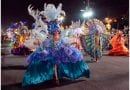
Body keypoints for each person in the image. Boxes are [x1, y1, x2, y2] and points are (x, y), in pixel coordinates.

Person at [22, 21, 90, 86]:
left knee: (61, 64)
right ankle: (56, 78)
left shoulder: (61, 39)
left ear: (59, 33)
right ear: (52, 34)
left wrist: (73, 43)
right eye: (55, 33)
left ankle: (58, 76)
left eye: (57, 33)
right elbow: (43, 44)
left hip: (60, 53)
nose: (56, 34)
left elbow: (66, 44)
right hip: (51, 53)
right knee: (54, 65)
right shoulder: (49, 40)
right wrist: (37, 43)